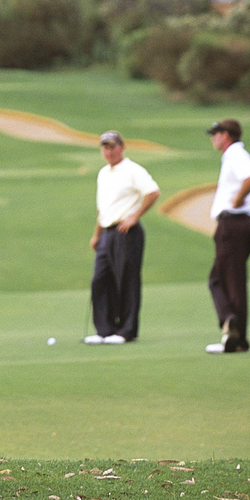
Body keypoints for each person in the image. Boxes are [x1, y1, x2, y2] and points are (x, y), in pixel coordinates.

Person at [85, 131, 160, 345]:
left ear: (122, 147)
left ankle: (126, 331)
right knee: (100, 281)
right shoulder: (103, 173)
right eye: (105, 148)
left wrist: (135, 216)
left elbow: (153, 192)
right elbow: (103, 208)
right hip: (107, 233)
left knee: (126, 281)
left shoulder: (133, 170)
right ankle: (104, 330)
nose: (108, 151)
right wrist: (96, 235)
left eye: (112, 147)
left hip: (127, 233)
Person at [204, 118, 250, 354]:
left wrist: (236, 200)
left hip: (232, 224)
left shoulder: (236, 154)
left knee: (224, 280)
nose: (212, 138)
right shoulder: (233, 155)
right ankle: (235, 335)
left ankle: (233, 331)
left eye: (215, 133)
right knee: (224, 279)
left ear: (225, 135)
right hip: (238, 225)